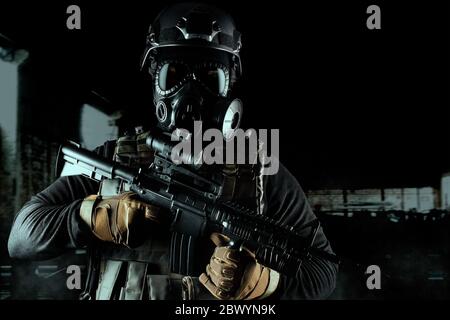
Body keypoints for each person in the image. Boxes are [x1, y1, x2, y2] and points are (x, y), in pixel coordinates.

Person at [8, 2, 338, 300]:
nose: (191, 91)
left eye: (211, 77)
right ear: (155, 83)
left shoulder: (262, 174)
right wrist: (88, 216)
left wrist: (269, 284)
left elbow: (323, 271)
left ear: (230, 87)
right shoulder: (115, 160)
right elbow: (21, 237)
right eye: (175, 75)